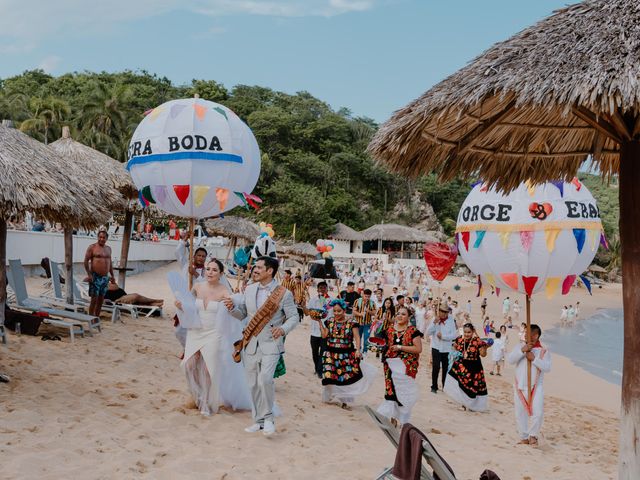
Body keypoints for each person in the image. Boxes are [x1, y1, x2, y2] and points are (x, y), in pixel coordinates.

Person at [224, 257, 299, 436]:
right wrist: (231, 309)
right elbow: (243, 314)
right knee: (252, 384)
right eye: (254, 267)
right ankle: (258, 421)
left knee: (265, 379)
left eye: (258, 267)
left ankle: (269, 419)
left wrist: (283, 329)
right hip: (250, 343)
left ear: (270, 271)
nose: (254, 270)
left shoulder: (283, 293)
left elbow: (294, 317)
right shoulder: (249, 290)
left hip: (271, 344)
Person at [175, 259, 251, 416]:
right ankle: (197, 395)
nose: (210, 272)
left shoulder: (224, 291)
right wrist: (181, 305)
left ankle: (205, 402)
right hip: (196, 331)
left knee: (208, 369)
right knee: (188, 365)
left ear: (221, 274)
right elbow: (188, 305)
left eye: (214, 270)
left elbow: (233, 310)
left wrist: (233, 304)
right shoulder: (197, 286)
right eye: (208, 269)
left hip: (214, 333)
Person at [319, 299, 376, 409]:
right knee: (330, 377)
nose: (336, 313)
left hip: (346, 355)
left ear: (344, 310)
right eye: (334, 311)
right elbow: (324, 335)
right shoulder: (329, 321)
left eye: (339, 311)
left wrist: (358, 350)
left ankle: (344, 400)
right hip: (330, 354)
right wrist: (319, 322)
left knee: (344, 378)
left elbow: (357, 338)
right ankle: (330, 397)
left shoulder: (352, 323)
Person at [377, 305, 423, 425]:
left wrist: (400, 347)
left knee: (402, 391)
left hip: (406, 366)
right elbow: (380, 341)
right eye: (398, 313)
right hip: (390, 364)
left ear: (409, 317)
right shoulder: (390, 330)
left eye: (403, 314)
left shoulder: (413, 331)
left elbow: (418, 349)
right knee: (391, 389)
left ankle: (401, 418)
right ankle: (392, 417)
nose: (400, 316)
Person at [507, 324, 552, 446]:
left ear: (536, 335)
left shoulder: (543, 351)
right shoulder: (520, 346)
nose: (526, 336)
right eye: (525, 334)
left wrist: (534, 359)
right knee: (520, 414)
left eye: (529, 334)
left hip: (536, 386)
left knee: (537, 413)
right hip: (520, 386)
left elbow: (547, 368)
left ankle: (533, 436)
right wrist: (522, 350)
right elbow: (510, 360)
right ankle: (524, 437)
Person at [444, 323, 489, 412]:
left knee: (473, 388)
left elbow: (483, 355)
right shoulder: (459, 339)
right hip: (462, 367)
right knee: (461, 386)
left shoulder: (477, 341)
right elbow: (454, 348)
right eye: (465, 332)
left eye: (469, 332)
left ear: (472, 332)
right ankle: (463, 404)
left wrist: (485, 349)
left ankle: (472, 406)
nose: (467, 334)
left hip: (475, 367)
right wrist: (455, 353)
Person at [426, 301, 457, 393]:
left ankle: (445, 386)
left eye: (445, 312)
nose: (443, 313)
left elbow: (454, 335)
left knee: (445, 368)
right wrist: (434, 323)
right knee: (435, 367)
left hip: (446, 348)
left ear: (447, 313)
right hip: (436, 347)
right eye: (441, 311)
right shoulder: (434, 319)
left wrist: (443, 337)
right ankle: (434, 386)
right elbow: (428, 333)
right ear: (438, 311)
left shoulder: (451, 320)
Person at [83, 230, 115, 317]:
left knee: (101, 299)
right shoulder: (92, 247)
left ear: (107, 238)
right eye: (100, 237)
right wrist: (89, 275)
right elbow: (86, 261)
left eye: (103, 237)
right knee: (94, 298)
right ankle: (90, 318)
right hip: (95, 276)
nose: (101, 239)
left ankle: (96, 317)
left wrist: (112, 275)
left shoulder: (108, 249)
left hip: (105, 277)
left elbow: (110, 263)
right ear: (97, 237)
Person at [306, 281, 331, 378]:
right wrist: (303, 305)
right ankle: (317, 368)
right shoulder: (313, 300)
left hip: (325, 331)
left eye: (324, 288)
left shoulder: (331, 301)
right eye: (320, 288)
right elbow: (308, 312)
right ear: (317, 289)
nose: (322, 289)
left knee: (323, 352)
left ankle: (320, 371)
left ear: (327, 289)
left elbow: (333, 314)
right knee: (314, 352)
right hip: (314, 331)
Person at [352, 289, 376, 355]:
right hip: (358, 323)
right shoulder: (357, 301)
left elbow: (374, 313)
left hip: (367, 324)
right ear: (363, 295)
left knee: (366, 338)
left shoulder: (372, 303)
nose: (367, 298)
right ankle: (358, 350)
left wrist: (369, 311)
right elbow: (354, 311)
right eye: (366, 296)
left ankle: (365, 351)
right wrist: (360, 314)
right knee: (358, 337)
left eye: (368, 296)